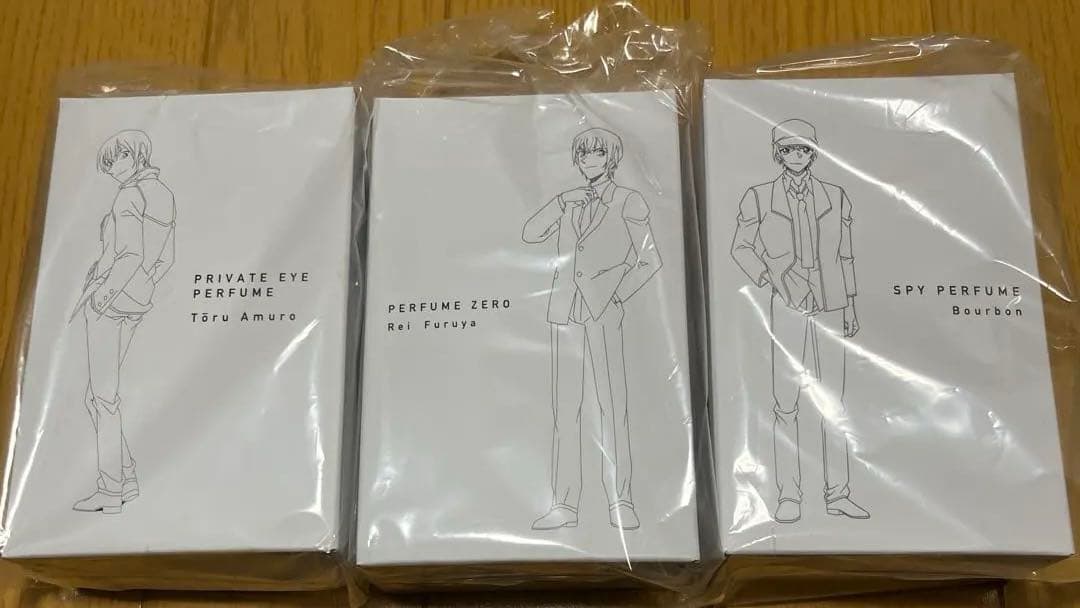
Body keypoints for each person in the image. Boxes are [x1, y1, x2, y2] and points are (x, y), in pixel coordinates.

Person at [730, 118, 870, 524]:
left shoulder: (835, 196)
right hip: (786, 301)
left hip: (832, 302)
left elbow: (845, 253)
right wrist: (771, 277)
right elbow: (741, 247)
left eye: (804, 149)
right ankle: (788, 494)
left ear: (813, 152)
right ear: (778, 153)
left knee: (833, 402)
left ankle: (838, 493)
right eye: (789, 149)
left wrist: (851, 304)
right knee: (786, 401)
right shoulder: (759, 197)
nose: (796, 156)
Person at [522, 127, 661, 531]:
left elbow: (649, 259)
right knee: (565, 412)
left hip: (603, 312)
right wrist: (559, 202)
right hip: (565, 313)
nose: (589, 162)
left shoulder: (629, 200)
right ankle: (565, 504)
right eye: (583, 155)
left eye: (597, 154)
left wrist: (617, 295)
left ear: (612, 159)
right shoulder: (569, 202)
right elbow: (530, 233)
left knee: (612, 407)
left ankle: (621, 500)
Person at [72, 130, 176, 515]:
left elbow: (129, 253)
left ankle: (111, 490)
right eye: (109, 162)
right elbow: (165, 259)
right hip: (135, 302)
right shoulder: (163, 194)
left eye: (119, 158)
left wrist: (103, 296)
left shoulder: (129, 195)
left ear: (137, 156)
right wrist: (143, 287)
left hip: (110, 301)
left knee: (102, 399)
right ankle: (127, 478)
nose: (113, 168)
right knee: (99, 397)